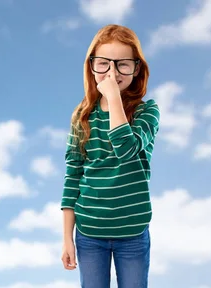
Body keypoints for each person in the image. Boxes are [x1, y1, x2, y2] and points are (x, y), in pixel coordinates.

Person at [60, 24, 160, 288]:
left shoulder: (147, 112)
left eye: (123, 65)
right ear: (92, 66)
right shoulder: (81, 116)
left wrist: (114, 99)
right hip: (89, 233)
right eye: (104, 64)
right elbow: (72, 177)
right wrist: (67, 238)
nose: (112, 73)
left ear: (137, 68)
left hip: (133, 232)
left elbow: (126, 149)